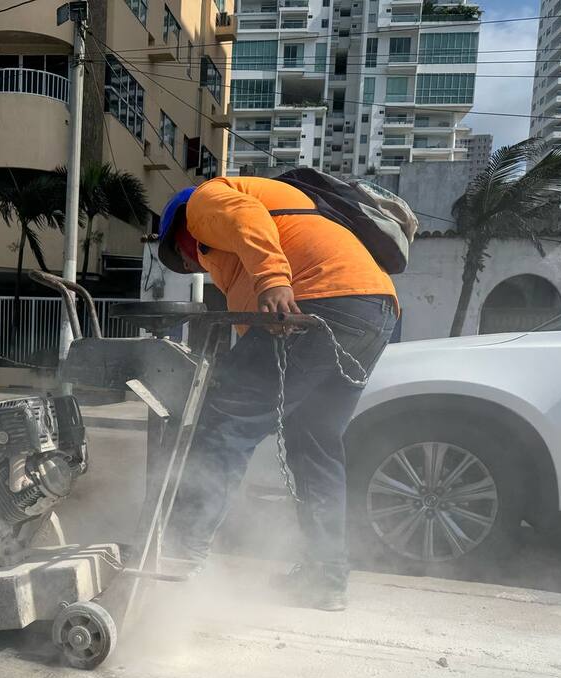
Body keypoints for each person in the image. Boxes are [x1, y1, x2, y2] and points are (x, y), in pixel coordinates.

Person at [159, 175, 399, 611]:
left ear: (183, 232)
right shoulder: (274, 233)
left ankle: (175, 559)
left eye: (187, 259)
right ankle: (326, 581)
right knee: (315, 445)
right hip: (373, 310)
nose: (197, 267)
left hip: (316, 298)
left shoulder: (205, 201)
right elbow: (253, 333)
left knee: (224, 423)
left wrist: (272, 279)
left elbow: (245, 218)